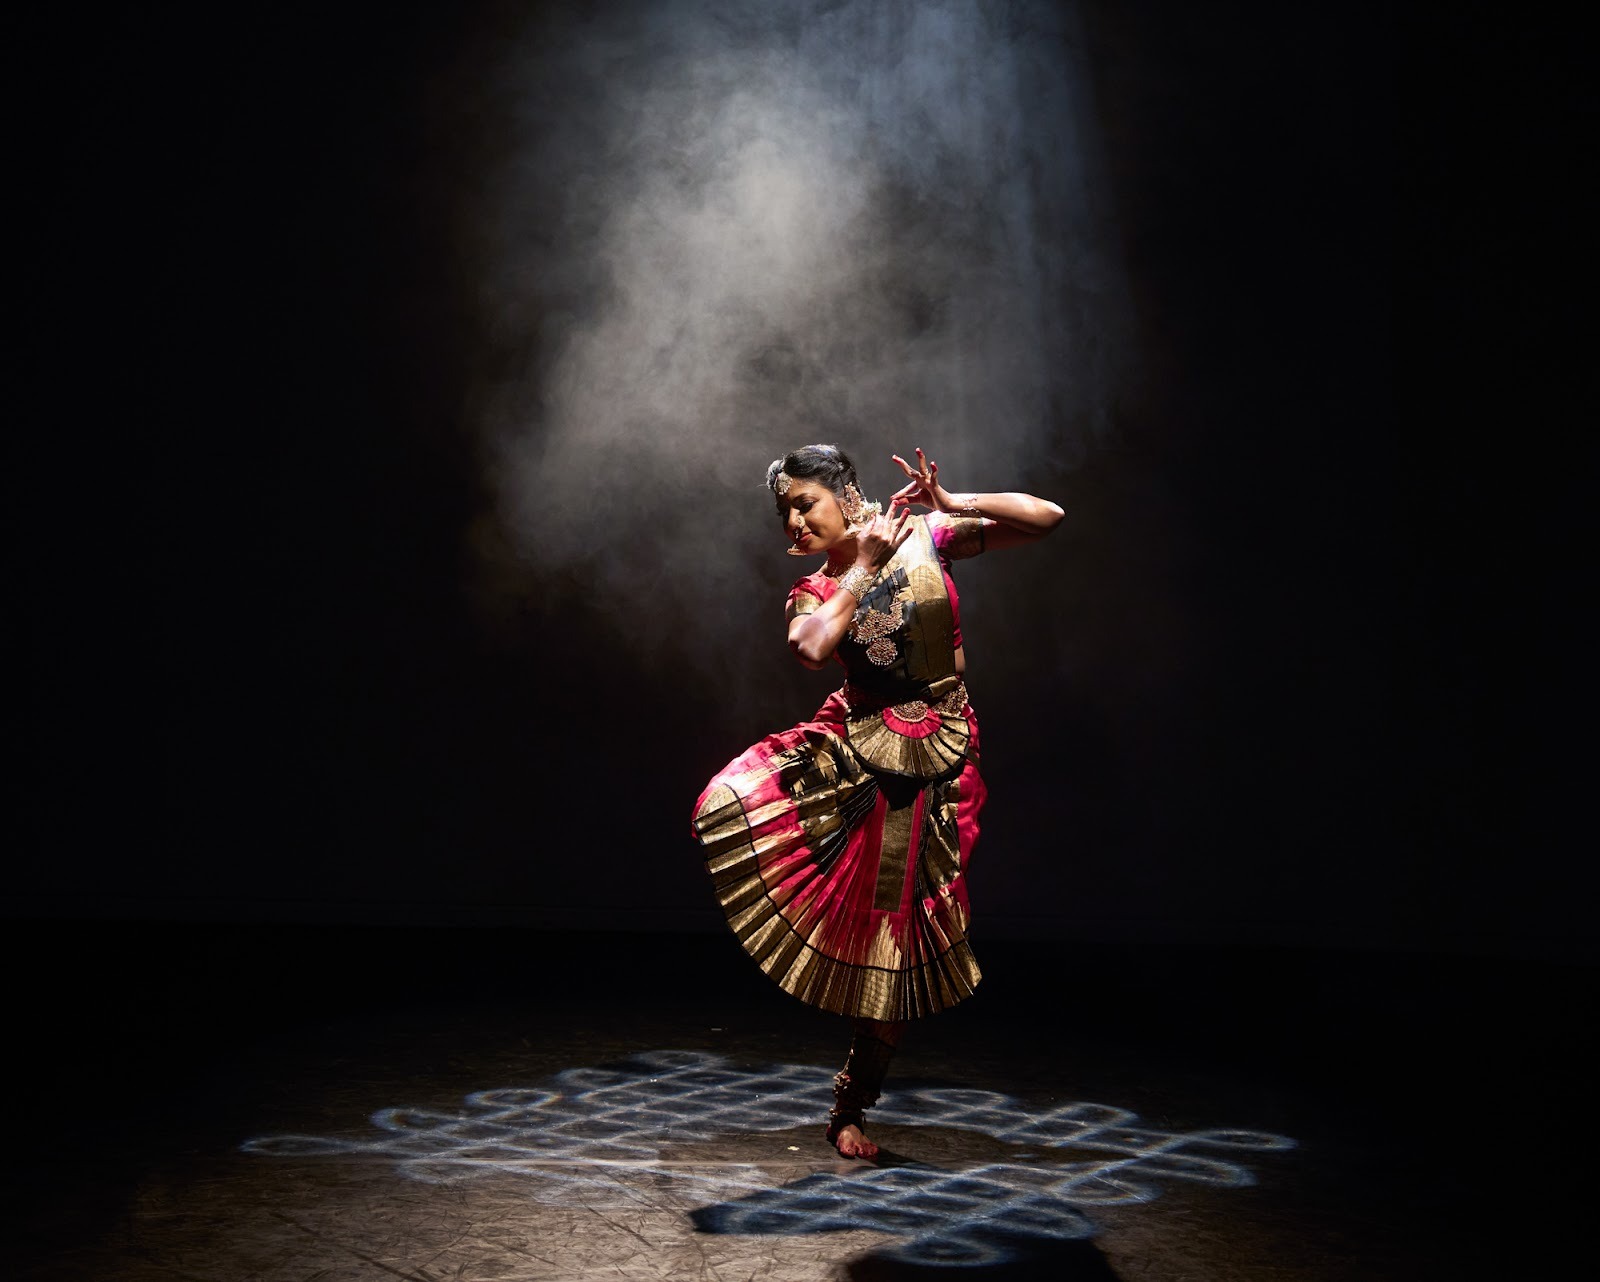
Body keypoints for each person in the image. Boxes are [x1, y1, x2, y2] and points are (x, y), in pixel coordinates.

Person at [691, 443, 1063, 1159]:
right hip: (863, 758)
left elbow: (1047, 516)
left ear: (846, 492)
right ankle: (851, 1110)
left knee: (910, 931)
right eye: (784, 512)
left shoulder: (929, 536)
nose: (792, 523)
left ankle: (852, 1104)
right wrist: (858, 568)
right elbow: (810, 647)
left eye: (803, 503)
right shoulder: (817, 587)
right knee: (878, 927)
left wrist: (955, 502)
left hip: (946, 755)